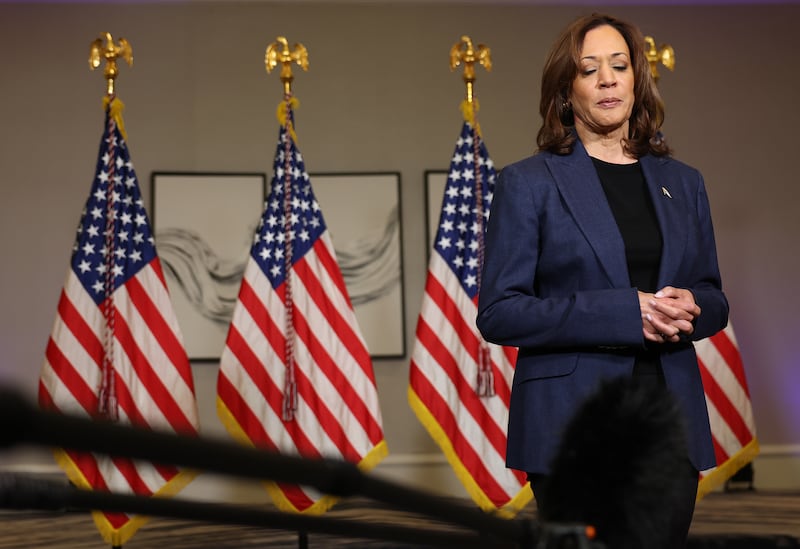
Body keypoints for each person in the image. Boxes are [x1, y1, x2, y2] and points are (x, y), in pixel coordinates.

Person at [475, 12, 729, 549]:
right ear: (568, 91)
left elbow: (713, 295)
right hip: (571, 427)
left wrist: (695, 305)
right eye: (590, 69)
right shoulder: (528, 183)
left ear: (638, 79)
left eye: (619, 65)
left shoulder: (683, 183)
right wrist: (623, 312)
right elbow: (500, 311)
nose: (608, 79)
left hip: (668, 422)